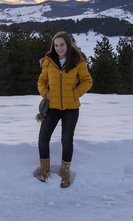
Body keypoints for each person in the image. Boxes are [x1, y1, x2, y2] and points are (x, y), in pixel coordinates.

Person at [36, 31, 93, 188]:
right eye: (56, 45)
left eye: (62, 45)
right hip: (52, 107)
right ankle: (44, 169)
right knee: (43, 138)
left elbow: (87, 81)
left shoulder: (78, 61)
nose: (59, 48)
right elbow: (42, 80)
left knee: (66, 141)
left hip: (71, 108)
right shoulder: (49, 61)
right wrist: (45, 92)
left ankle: (65, 173)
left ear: (68, 44)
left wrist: (75, 93)